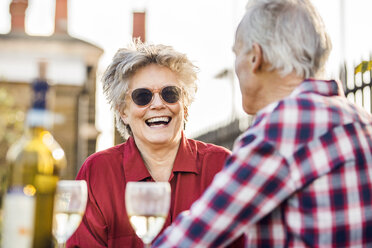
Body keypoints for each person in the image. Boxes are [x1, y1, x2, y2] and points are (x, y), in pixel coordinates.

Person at [152, 0, 372, 247]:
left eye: (237, 53)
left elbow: (193, 238)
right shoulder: (361, 120)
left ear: (256, 57)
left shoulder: (283, 128)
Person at [67, 40, 244, 247]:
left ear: (184, 106)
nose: (158, 104)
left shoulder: (221, 166)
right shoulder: (98, 172)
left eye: (170, 94)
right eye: (143, 97)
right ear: (123, 112)